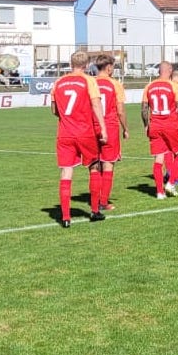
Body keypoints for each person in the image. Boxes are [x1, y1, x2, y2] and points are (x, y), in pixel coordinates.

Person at [51, 51, 109, 226]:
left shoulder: (59, 82)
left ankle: (66, 217)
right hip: (85, 132)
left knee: (66, 171)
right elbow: (96, 104)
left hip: (65, 133)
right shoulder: (89, 80)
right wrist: (103, 129)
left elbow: (54, 110)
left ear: (71, 64)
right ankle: (94, 210)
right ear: (86, 65)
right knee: (94, 166)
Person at [142, 62, 178, 198]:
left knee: (158, 158)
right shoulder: (175, 86)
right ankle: (171, 183)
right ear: (169, 71)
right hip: (171, 124)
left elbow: (144, 108)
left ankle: (159, 192)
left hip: (155, 125)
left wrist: (146, 125)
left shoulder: (149, 86)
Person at [93, 54, 129, 211]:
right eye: (113, 67)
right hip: (110, 126)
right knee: (108, 164)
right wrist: (125, 128)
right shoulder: (115, 84)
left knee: (95, 165)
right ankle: (103, 201)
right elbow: (120, 110)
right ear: (108, 67)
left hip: (92, 127)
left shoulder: (90, 82)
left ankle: (95, 201)